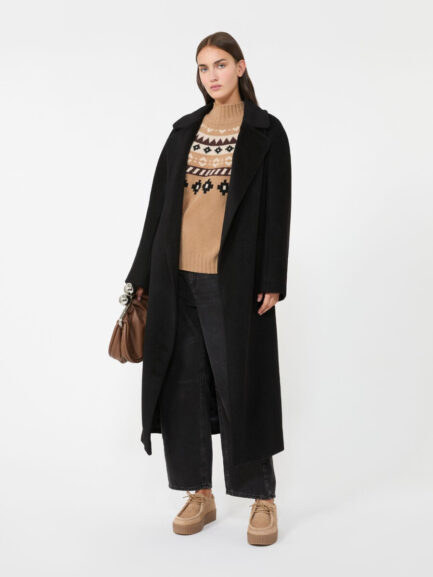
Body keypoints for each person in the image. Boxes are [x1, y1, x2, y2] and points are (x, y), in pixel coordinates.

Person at [124, 31, 291, 546]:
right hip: (175, 280)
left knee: (241, 386)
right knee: (183, 387)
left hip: (234, 283)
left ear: (240, 67)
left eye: (220, 64)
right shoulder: (184, 132)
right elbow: (158, 210)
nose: (211, 75)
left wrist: (272, 278)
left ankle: (261, 498)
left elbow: (277, 209)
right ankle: (198, 492)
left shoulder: (266, 131)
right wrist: (139, 277)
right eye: (203, 67)